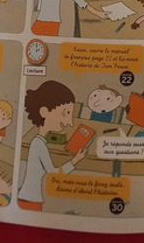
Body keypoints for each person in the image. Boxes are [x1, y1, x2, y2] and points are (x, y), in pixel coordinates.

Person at [18, 81, 87, 211]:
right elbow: (54, 173)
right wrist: (75, 161)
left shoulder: (39, 141)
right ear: (44, 112)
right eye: (65, 113)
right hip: (30, 200)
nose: (70, 122)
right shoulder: (38, 144)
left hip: (30, 197)